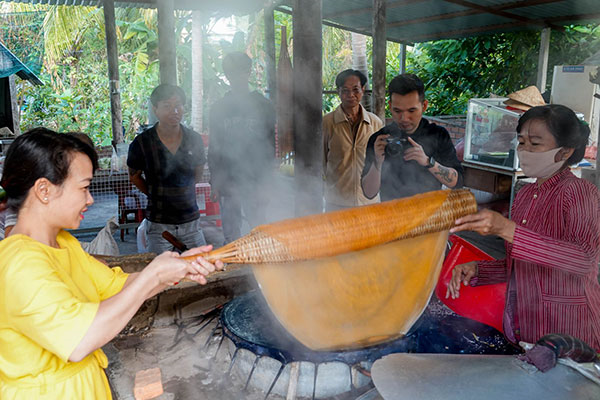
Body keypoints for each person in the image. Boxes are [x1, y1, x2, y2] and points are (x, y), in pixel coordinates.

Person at [0, 128, 223, 399]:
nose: (90, 199)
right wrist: (153, 276)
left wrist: (179, 267)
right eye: (83, 187)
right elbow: (80, 339)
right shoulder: (19, 264)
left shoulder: (63, 243)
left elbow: (116, 286)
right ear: (44, 190)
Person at [447, 104, 600, 350]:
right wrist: (479, 270)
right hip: (528, 328)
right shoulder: (526, 194)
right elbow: (520, 266)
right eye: (521, 142)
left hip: (571, 334)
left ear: (565, 151)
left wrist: (508, 230)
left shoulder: (580, 193)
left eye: (535, 144)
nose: (525, 151)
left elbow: (583, 260)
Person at [128, 84, 207, 253]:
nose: (175, 111)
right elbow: (134, 176)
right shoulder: (142, 143)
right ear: (155, 109)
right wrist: (153, 193)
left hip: (190, 222)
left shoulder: (194, 139)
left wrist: (184, 190)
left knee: (201, 270)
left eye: (178, 105)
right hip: (159, 225)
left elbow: (198, 171)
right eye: (167, 106)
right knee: (161, 274)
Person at [361, 73, 463, 201]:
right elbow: (368, 193)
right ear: (390, 106)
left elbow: (457, 182)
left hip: (430, 216)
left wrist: (428, 162)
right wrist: (377, 163)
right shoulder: (380, 139)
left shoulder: (438, 135)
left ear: (424, 106)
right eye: (397, 111)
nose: (404, 119)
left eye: (411, 111)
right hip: (391, 215)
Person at [208, 52, 276, 243]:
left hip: (256, 179)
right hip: (228, 180)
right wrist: (215, 181)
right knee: (231, 233)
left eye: (240, 71)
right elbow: (214, 148)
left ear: (248, 72)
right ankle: (234, 270)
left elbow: (270, 147)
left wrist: (268, 183)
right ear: (226, 75)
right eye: (231, 73)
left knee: (259, 230)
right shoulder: (219, 108)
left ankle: (260, 271)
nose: (236, 77)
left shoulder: (264, 105)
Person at [323, 69, 383, 211]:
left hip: (368, 201)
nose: (350, 95)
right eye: (345, 90)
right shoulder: (327, 123)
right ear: (338, 92)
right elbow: (322, 160)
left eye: (355, 89)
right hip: (337, 202)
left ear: (362, 90)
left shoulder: (375, 123)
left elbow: (380, 159)